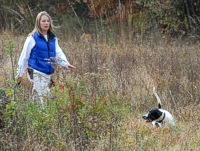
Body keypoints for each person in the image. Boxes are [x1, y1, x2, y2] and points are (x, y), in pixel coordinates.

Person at [17, 11, 75, 105]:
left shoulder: (53, 39)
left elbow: (58, 52)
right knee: (46, 97)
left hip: (47, 73)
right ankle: (46, 117)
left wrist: (65, 63)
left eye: (48, 21)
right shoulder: (32, 38)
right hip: (35, 72)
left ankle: (30, 116)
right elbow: (24, 57)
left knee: (37, 99)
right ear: (38, 23)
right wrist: (19, 74)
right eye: (43, 21)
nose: (46, 23)